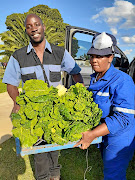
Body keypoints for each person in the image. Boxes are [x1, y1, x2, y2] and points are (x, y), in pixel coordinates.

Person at [2, 14, 84, 180]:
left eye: (37, 24)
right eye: (29, 26)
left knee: (55, 147)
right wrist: (17, 102)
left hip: (56, 113)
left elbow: (75, 73)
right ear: (26, 31)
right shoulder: (18, 56)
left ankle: (55, 175)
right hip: (35, 114)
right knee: (40, 154)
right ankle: (44, 177)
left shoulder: (60, 53)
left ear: (43, 26)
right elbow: (10, 83)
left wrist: (78, 92)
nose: (34, 29)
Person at [74, 32, 135, 180]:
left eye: (100, 56)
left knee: (114, 174)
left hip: (119, 138)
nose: (94, 60)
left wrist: (92, 134)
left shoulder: (122, 81)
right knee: (110, 171)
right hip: (105, 134)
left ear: (110, 58)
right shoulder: (96, 77)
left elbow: (123, 118)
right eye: (92, 55)